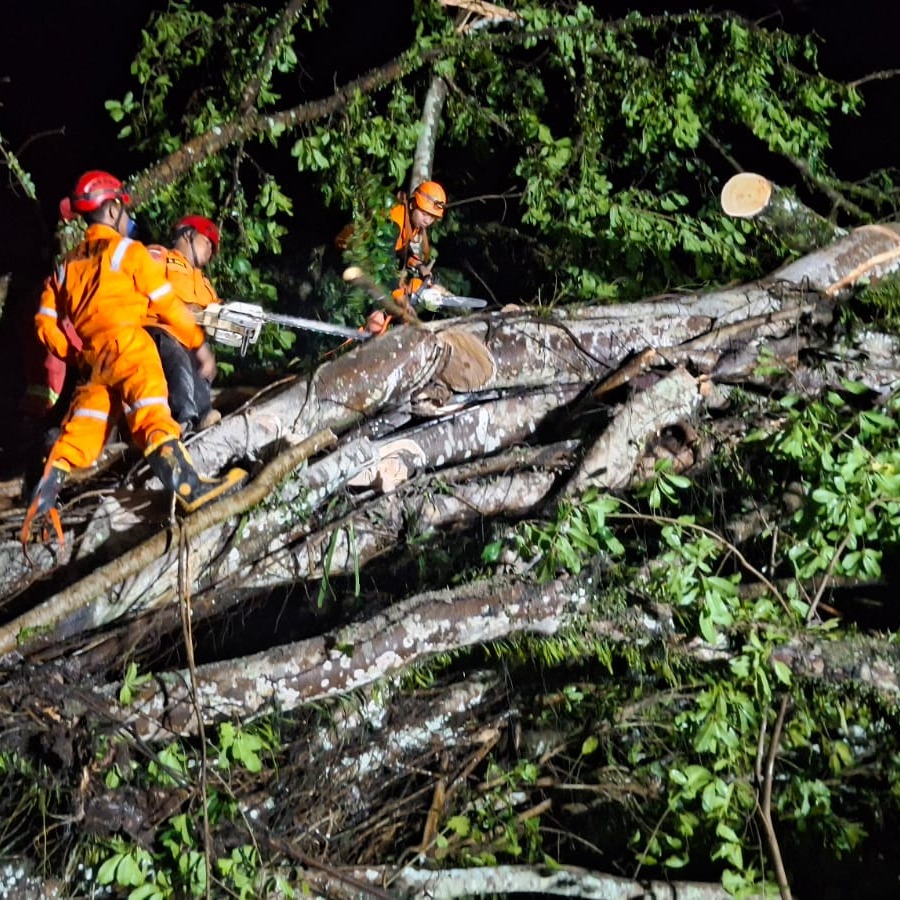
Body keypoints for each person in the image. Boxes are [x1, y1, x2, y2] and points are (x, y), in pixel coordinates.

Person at [21, 170, 245, 545]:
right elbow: (167, 304)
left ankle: (40, 510)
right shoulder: (129, 252)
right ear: (110, 209)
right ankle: (191, 490)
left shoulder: (65, 267)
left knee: (80, 436)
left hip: (93, 362)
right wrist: (198, 342)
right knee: (152, 415)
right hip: (129, 345)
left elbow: (43, 322)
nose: (129, 219)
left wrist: (74, 353)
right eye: (124, 211)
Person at [146, 215, 223, 435]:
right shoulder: (160, 255)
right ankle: (183, 419)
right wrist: (183, 308)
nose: (210, 251)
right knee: (176, 354)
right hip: (157, 328)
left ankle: (203, 415)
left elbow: (217, 316)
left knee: (197, 366)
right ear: (189, 233)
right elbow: (143, 285)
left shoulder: (206, 285)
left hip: (190, 341)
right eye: (207, 242)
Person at [366, 180, 447, 336]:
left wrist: (419, 265)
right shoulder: (392, 221)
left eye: (432, 217)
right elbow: (385, 264)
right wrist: (399, 298)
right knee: (376, 321)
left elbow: (401, 247)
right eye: (424, 213)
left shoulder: (412, 223)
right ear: (412, 205)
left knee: (411, 288)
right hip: (351, 260)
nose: (427, 220)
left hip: (374, 265)